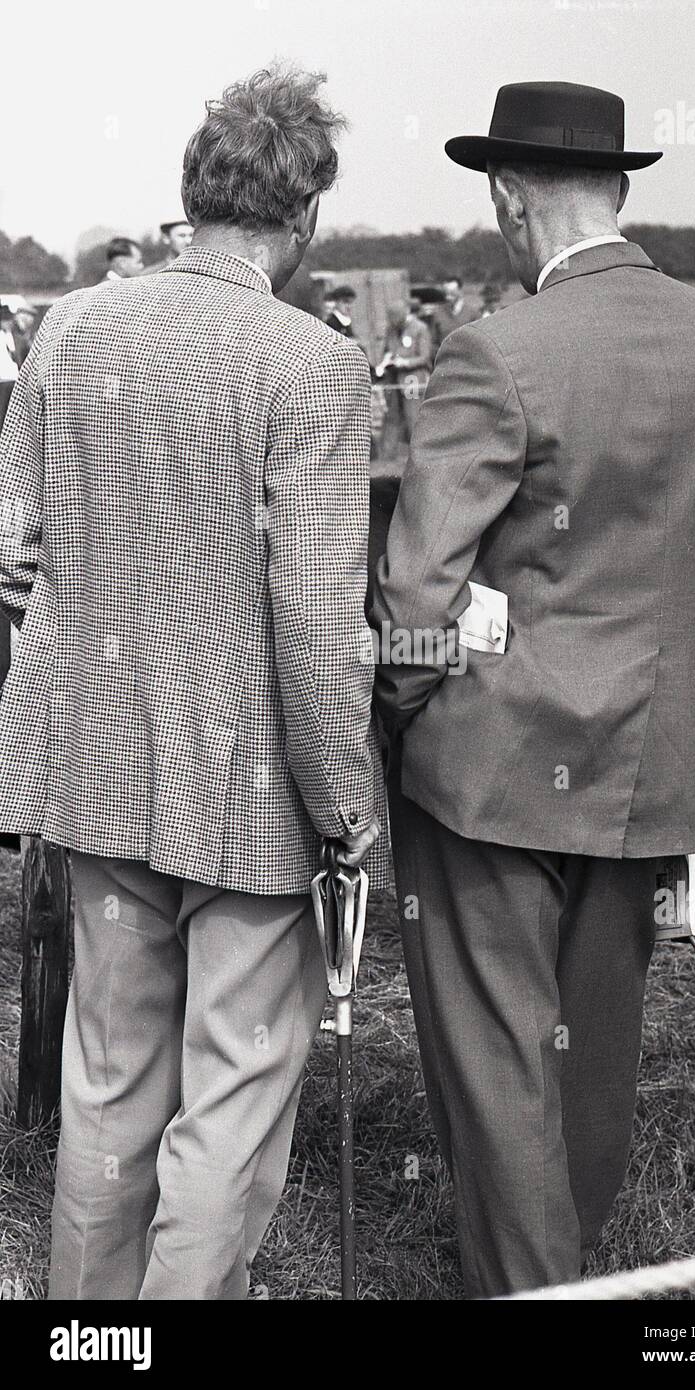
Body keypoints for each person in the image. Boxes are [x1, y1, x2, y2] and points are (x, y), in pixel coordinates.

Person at [371, 79, 695, 1299]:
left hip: (485, 771)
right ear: (613, 191)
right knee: (590, 1055)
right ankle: (567, 1269)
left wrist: (395, 728)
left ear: (508, 201)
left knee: (499, 1062)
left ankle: (535, 1285)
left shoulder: (494, 351)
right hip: (652, 774)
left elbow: (413, 599)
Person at [0, 61, 387, 1301]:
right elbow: (320, 625)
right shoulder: (313, 364)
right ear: (305, 215)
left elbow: (16, 544)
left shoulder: (70, 326)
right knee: (227, 1103)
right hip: (249, 799)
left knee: (105, 1085)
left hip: (98, 773)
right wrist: (346, 808)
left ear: (191, 194)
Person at [375, 301, 432, 457]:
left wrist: (405, 362)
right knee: (391, 416)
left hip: (412, 379)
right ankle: (387, 455)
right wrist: (385, 360)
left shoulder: (420, 329)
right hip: (393, 379)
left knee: (413, 416)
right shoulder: (391, 329)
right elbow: (387, 350)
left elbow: (424, 356)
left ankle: (421, 454)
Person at [432, 273, 477, 348]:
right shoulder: (437, 313)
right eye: (445, 293)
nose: (448, 297)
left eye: (452, 293)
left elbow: (478, 342)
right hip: (444, 358)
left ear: (460, 291)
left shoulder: (473, 314)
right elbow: (433, 342)